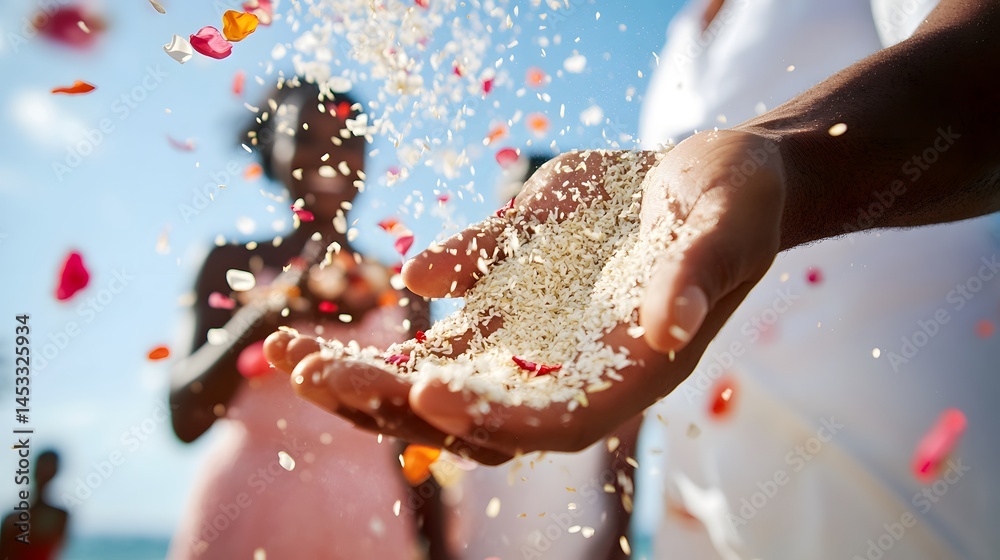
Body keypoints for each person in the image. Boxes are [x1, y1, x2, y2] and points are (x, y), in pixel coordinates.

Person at [264, 0, 999, 555]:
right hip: (706, 492)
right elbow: (651, 255)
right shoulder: (683, 34)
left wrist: (783, 160)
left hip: (897, 468)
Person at [167, 78, 433, 559]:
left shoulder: (406, 287)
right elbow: (184, 419)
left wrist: (442, 544)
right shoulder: (229, 263)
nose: (330, 152)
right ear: (273, 153)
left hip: (368, 519)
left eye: (348, 137)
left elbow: (417, 440)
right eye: (306, 136)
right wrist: (269, 313)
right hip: (247, 510)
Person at [0, 450, 69, 560]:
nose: (44, 472)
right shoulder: (11, 519)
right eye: (43, 467)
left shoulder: (59, 516)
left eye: (48, 467)